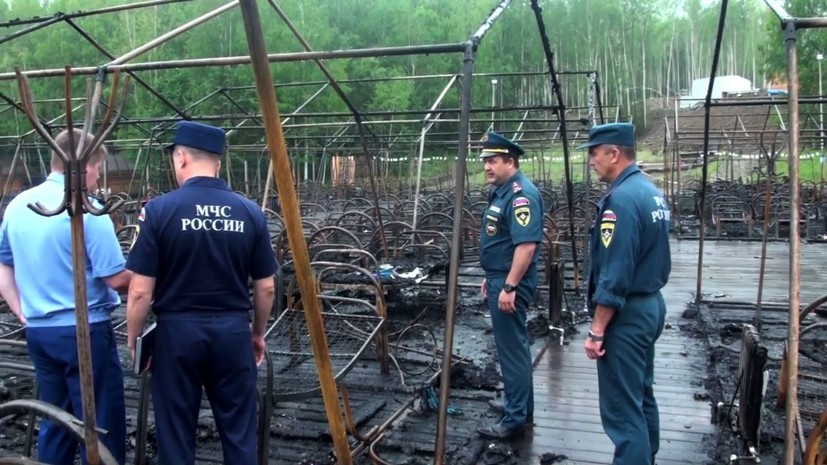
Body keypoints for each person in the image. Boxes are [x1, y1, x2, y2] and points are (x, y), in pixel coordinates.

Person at [125, 121, 277, 465]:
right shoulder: (251, 212)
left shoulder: (158, 211)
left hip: (177, 336)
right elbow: (266, 286)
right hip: (232, 332)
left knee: (175, 435)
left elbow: (138, 292)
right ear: (218, 163)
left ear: (180, 159)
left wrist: (134, 338)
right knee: (239, 435)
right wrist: (257, 334)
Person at [0, 129, 131, 464]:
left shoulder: (18, 206)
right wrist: (151, 276)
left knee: (56, 417)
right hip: (84, 333)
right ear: (84, 167)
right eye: (98, 169)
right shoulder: (88, 212)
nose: (98, 177)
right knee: (101, 422)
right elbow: (116, 280)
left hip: (40, 333)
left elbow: (4, 266)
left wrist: (21, 311)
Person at [579, 123, 671, 465]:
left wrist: (597, 329)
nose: (591, 160)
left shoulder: (621, 199)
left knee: (622, 409)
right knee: (641, 393)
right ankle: (647, 456)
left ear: (614, 153)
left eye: (595, 153)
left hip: (627, 315)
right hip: (651, 306)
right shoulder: (650, 191)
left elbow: (615, 273)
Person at [476, 130, 544, 440]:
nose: (487, 167)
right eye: (485, 162)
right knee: (514, 348)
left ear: (511, 161)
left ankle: (514, 419)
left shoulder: (520, 195)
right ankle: (520, 406)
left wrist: (509, 286)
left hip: (510, 283)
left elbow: (526, 246)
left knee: (512, 351)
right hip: (500, 277)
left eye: (493, 161)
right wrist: (492, 277)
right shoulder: (503, 191)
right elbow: (502, 241)